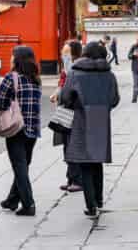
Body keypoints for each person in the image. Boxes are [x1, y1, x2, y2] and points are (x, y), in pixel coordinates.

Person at [59, 41, 120, 219]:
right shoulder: (109, 75)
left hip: (80, 118)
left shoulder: (75, 73)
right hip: (101, 119)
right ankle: (99, 199)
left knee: (84, 162)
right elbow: (115, 99)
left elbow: (65, 97)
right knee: (97, 161)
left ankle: (91, 205)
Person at [0, 46, 42, 216]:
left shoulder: (11, 77)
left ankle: (28, 204)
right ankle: (12, 199)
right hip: (33, 128)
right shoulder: (36, 79)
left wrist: (7, 107)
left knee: (19, 166)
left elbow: (0, 100)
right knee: (23, 164)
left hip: (16, 127)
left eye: (12, 56)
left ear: (17, 59)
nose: (10, 59)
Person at [51, 39, 84, 193]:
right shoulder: (66, 69)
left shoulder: (80, 69)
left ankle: (78, 179)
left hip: (75, 111)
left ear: (75, 54)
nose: (63, 56)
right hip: (65, 110)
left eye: (66, 53)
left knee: (73, 144)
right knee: (66, 143)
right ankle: (71, 177)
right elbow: (62, 84)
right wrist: (57, 93)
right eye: (62, 53)